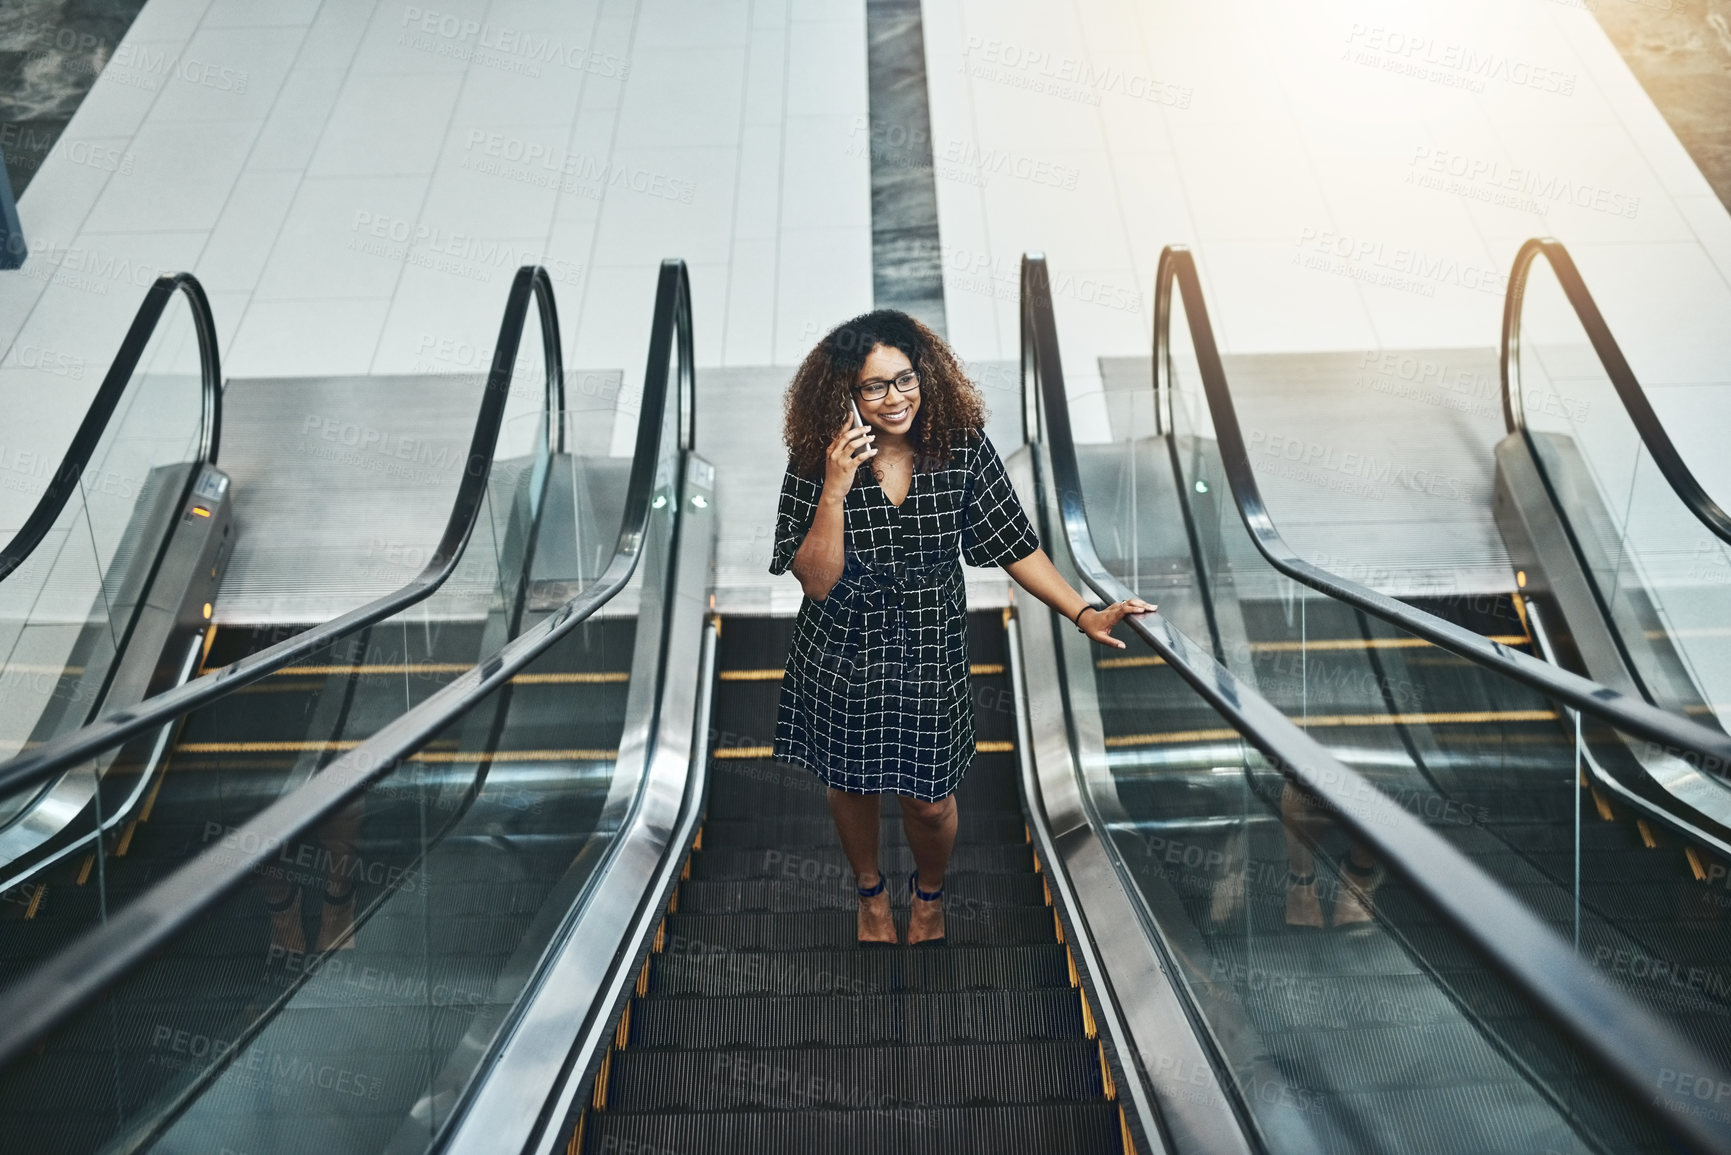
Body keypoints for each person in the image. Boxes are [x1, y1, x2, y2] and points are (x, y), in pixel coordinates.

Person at [768, 310, 1154, 946]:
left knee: (930, 799)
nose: (895, 399)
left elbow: (1014, 544)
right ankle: (869, 894)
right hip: (840, 647)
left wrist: (1083, 613)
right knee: (851, 783)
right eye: (874, 387)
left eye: (905, 379)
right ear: (845, 395)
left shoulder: (960, 445)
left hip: (929, 645)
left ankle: (927, 895)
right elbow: (814, 579)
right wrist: (835, 489)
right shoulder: (817, 460)